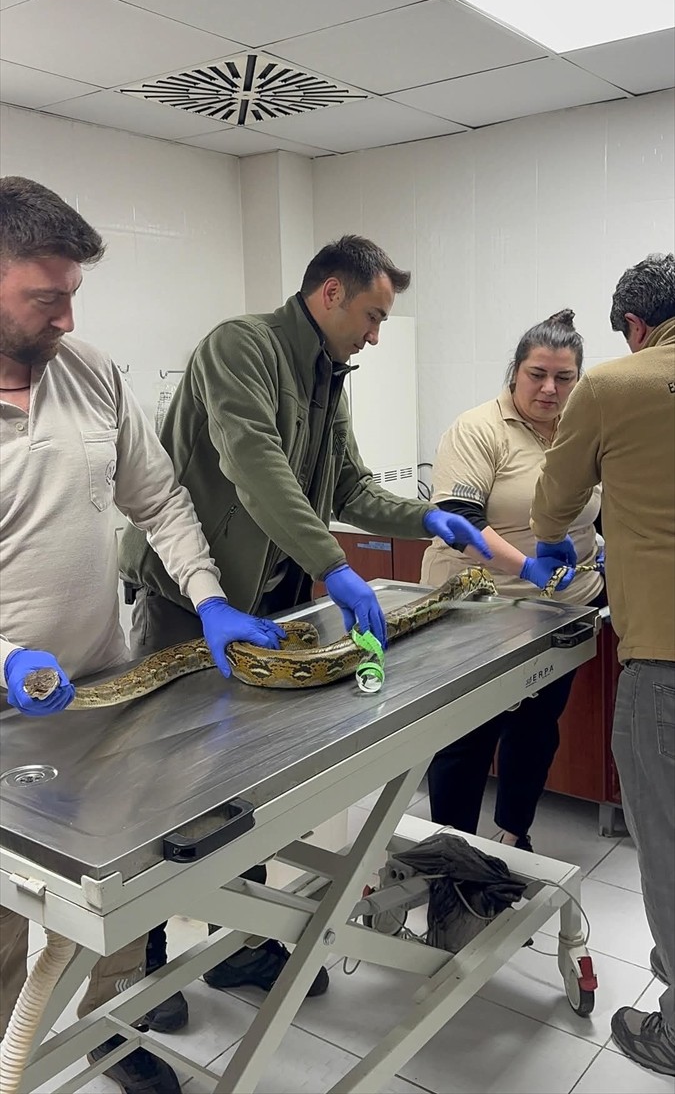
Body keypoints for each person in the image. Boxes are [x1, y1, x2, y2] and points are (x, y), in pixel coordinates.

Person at [119, 233, 491, 1029]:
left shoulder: (329, 375)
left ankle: (244, 942)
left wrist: (423, 515)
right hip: (193, 605)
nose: (376, 333)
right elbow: (254, 462)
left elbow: (347, 483)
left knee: (245, 785)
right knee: (164, 796)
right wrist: (334, 564)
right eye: (371, 314)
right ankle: (137, 976)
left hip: (272, 610)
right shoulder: (239, 348)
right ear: (329, 294)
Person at [0, 176, 284, 1094]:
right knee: (8, 921)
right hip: (5, 716)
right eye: (46, 297)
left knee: (112, 899)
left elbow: (157, 498)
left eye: (74, 294)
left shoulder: (89, 371)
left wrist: (205, 596)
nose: (65, 317)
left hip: (102, 693)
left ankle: (113, 1034)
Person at [531, 254, 675, 1078]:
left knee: (667, 843)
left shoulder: (616, 385)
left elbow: (553, 505)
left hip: (664, 660)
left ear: (629, 325)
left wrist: (568, 526)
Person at [420, 310, 604, 849]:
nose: (550, 388)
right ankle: (453, 861)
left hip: (562, 613)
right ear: (515, 372)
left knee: (536, 730)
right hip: (480, 615)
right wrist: (526, 567)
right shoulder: (479, 429)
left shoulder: (581, 431)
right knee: (466, 739)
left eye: (564, 378)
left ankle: (512, 835)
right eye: (537, 374)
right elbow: (459, 520)